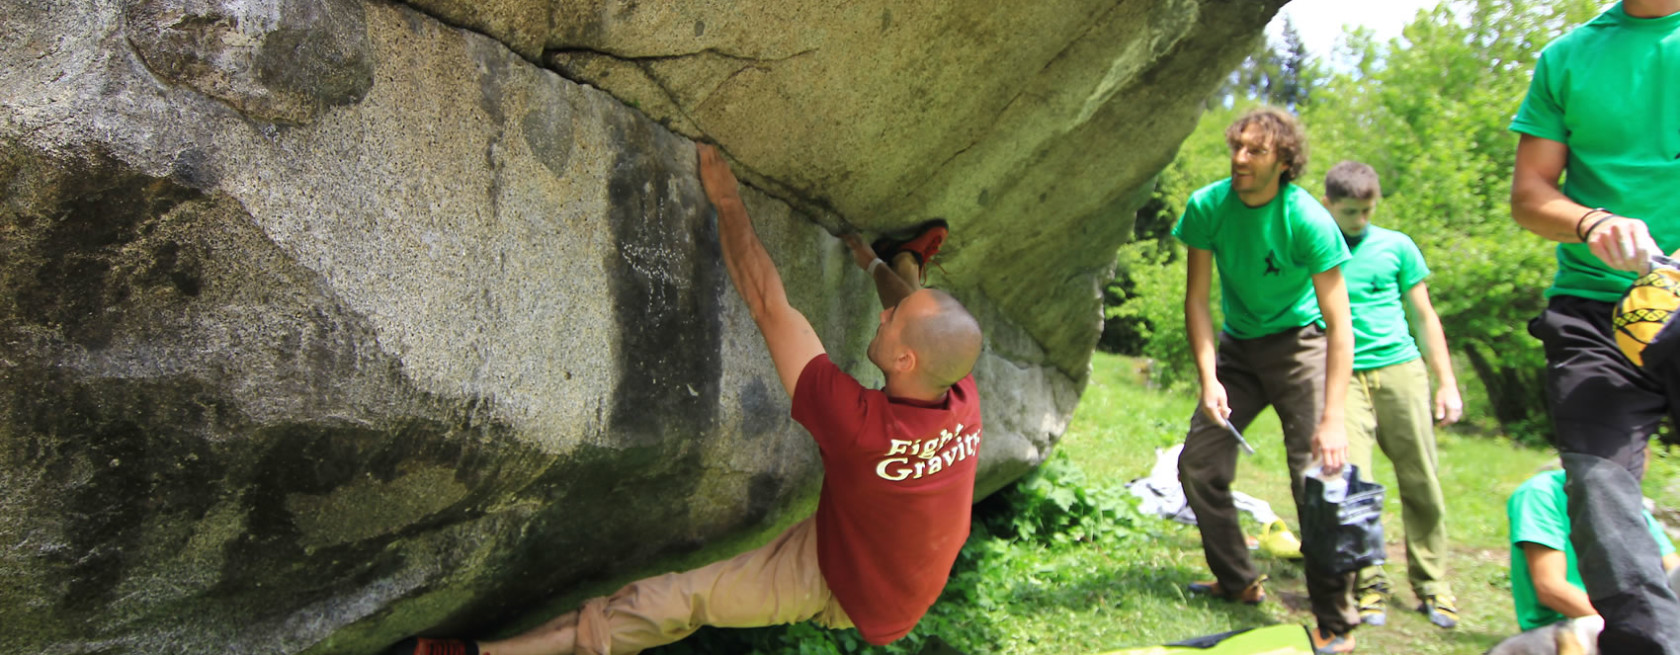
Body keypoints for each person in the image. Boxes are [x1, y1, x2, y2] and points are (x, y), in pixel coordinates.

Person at [388, 143, 984, 655]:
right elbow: (917, 316)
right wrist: (878, 263)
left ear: (905, 361)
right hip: (891, 549)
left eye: (893, 320)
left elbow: (769, 305)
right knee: (911, 296)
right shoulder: (957, 383)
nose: (882, 316)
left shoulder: (857, 425)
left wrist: (727, 201)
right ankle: (906, 252)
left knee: (679, 599)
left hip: (845, 583)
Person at [1508, 1, 1680, 651]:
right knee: (1598, 486)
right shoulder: (1567, 57)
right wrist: (1591, 222)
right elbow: (1531, 193)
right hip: (1592, 311)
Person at [1173, 106, 1359, 653]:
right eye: (1236, 147)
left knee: (1316, 479)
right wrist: (1209, 378)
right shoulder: (1208, 207)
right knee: (1198, 464)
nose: (1239, 159)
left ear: (1283, 161)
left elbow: (1341, 324)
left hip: (1301, 346)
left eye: (1254, 151)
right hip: (1236, 349)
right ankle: (1238, 580)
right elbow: (1197, 300)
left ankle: (1336, 622)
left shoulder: (1306, 219)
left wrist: (1332, 419)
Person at [1319, 161, 1461, 630]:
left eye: (1367, 211)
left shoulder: (1396, 246)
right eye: (1350, 212)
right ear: (1328, 205)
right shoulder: (1316, 247)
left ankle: (1433, 584)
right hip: (1346, 378)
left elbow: (1424, 317)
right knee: (1354, 484)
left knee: (1421, 477)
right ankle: (1370, 584)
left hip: (1400, 369)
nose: (1360, 220)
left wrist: (1447, 381)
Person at [1507, 468, 1680, 635]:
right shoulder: (1542, 492)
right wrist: (1635, 628)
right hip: (1568, 629)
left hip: (1634, 623)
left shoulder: (1626, 501)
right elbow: (1551, 589)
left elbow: (1672, 569)